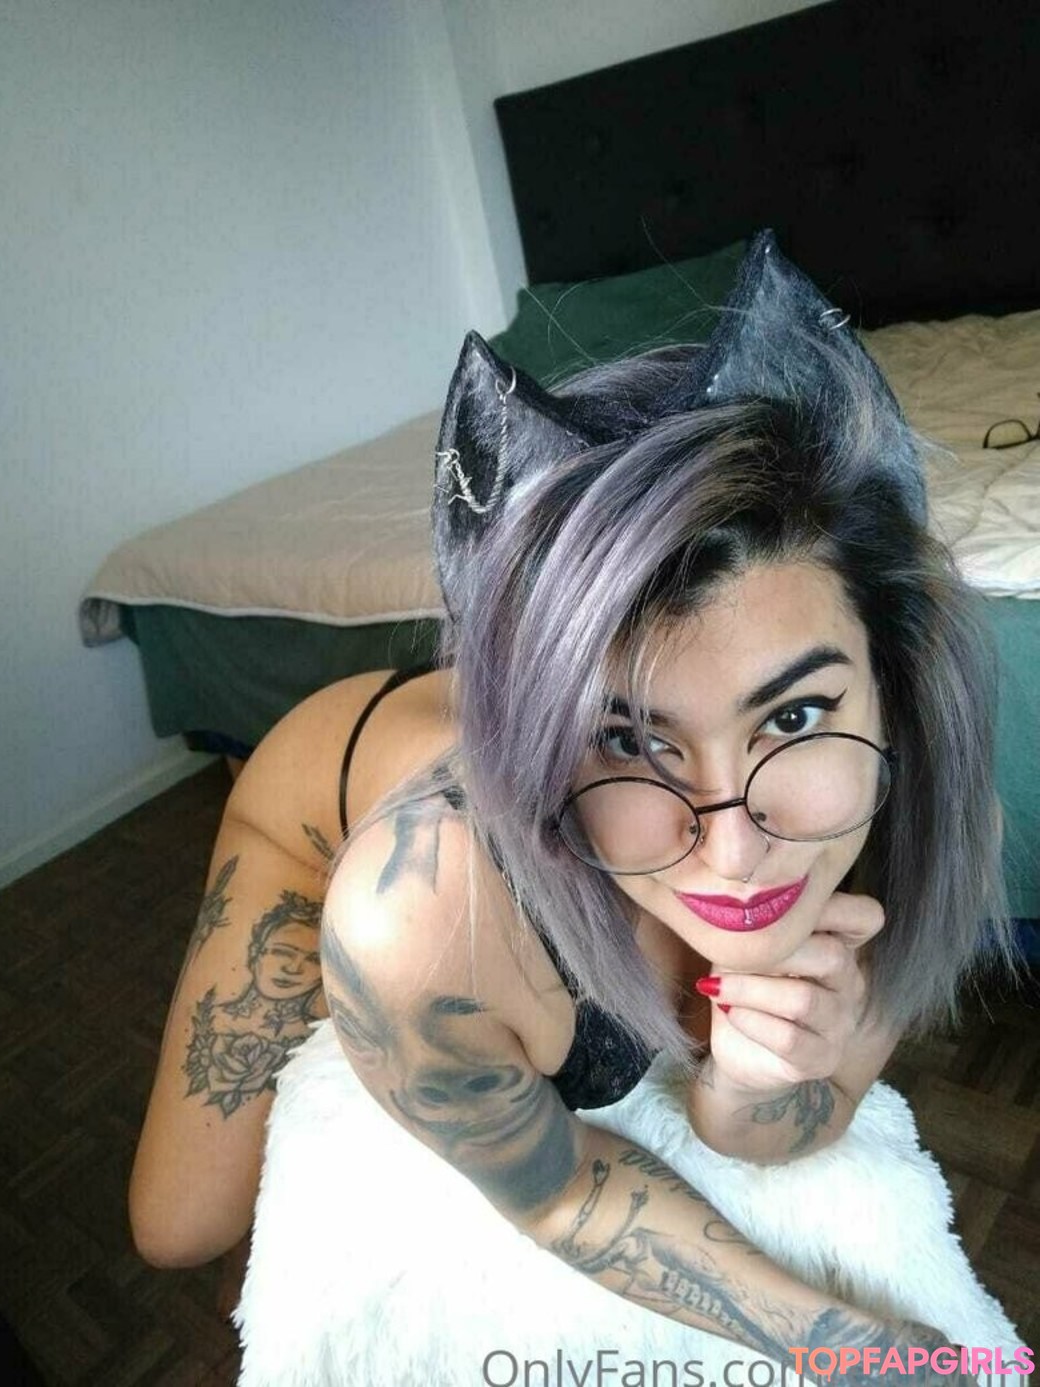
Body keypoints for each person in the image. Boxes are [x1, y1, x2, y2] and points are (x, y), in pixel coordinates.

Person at [131, 233, 1015, 1367]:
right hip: (317, 795)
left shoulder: (923, 820)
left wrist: (752, 1081)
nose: (732, 851)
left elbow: (779, 1123)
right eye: (632, 741)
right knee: (177, 1228)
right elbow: (556, 1195)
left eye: (794, 717)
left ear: (893, 682)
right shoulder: (424, 900)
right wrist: (854, 1347)